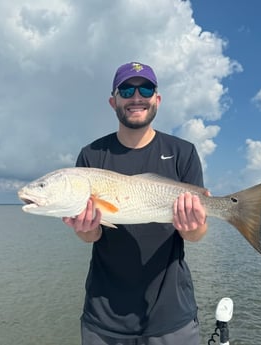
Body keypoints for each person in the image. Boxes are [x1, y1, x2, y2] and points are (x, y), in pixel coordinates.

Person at [63, 62, 208, 345]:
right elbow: (91, 236)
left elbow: (196, 234)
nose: (136, 97)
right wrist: (84, 228)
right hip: (104, 317)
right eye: (127, 89)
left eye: (146, 88)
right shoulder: (91, 156)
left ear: (158, 99)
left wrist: (192, 226)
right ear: (113, 100)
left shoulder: (183, 152)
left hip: (171, 314)